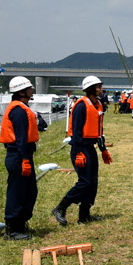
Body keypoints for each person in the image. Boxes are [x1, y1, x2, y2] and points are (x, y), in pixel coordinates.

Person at [52, 76, 112, 226]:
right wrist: (78, 152)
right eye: (98, 87)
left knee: (92, 182)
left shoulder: (98, 104)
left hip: (90, 147)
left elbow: (99, 130)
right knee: (84, 182)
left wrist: (103, 150)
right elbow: (76, 131)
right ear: (91, 89)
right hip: (80, 148)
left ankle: (84, 215)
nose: (101, 89)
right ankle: (61, 208)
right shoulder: (81, 106)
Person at [0, 76, 46, 240]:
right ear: (21, 91)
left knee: (29, 191)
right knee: (17, 192)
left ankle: (21, 224)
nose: (32, 90)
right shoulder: (18, 111)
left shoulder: (22, 107)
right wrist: (25, 160)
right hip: (18, 156)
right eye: (29, 88)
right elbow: (20, 139)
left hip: (22, 155)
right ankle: (12, 229)